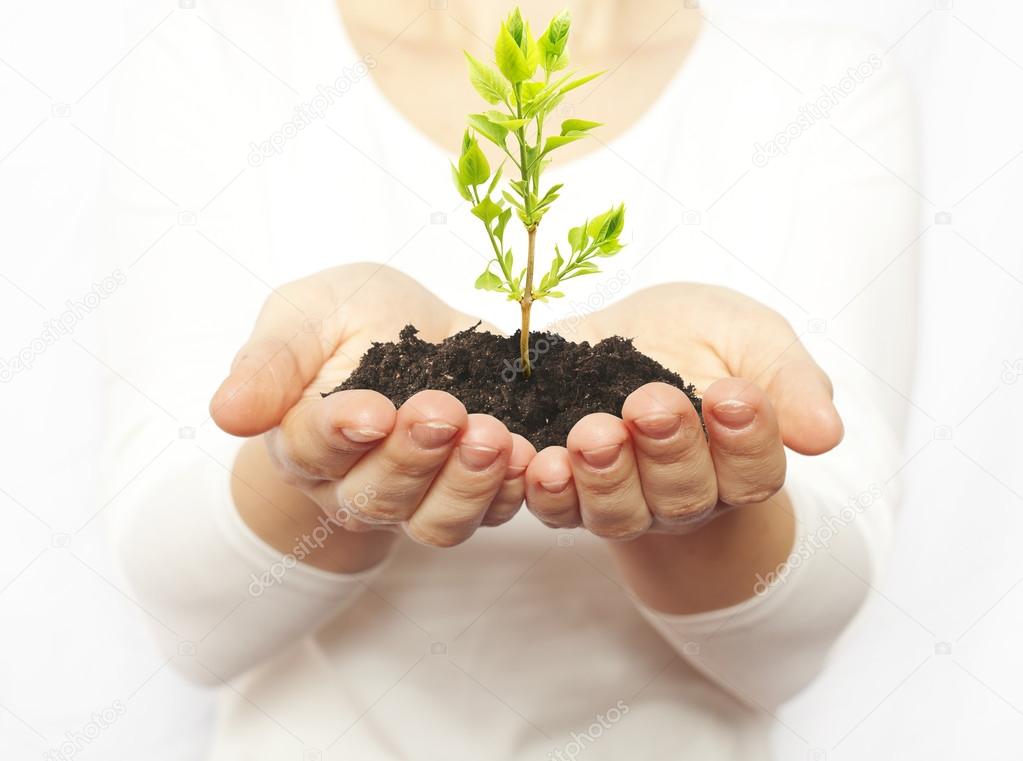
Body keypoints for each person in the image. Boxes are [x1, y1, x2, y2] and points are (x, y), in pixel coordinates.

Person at [106, 1, 918, 758]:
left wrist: (694, 504)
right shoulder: (218, 57)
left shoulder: (818, 83)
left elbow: (797, 644)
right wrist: (316, 469)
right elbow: (189, 630)